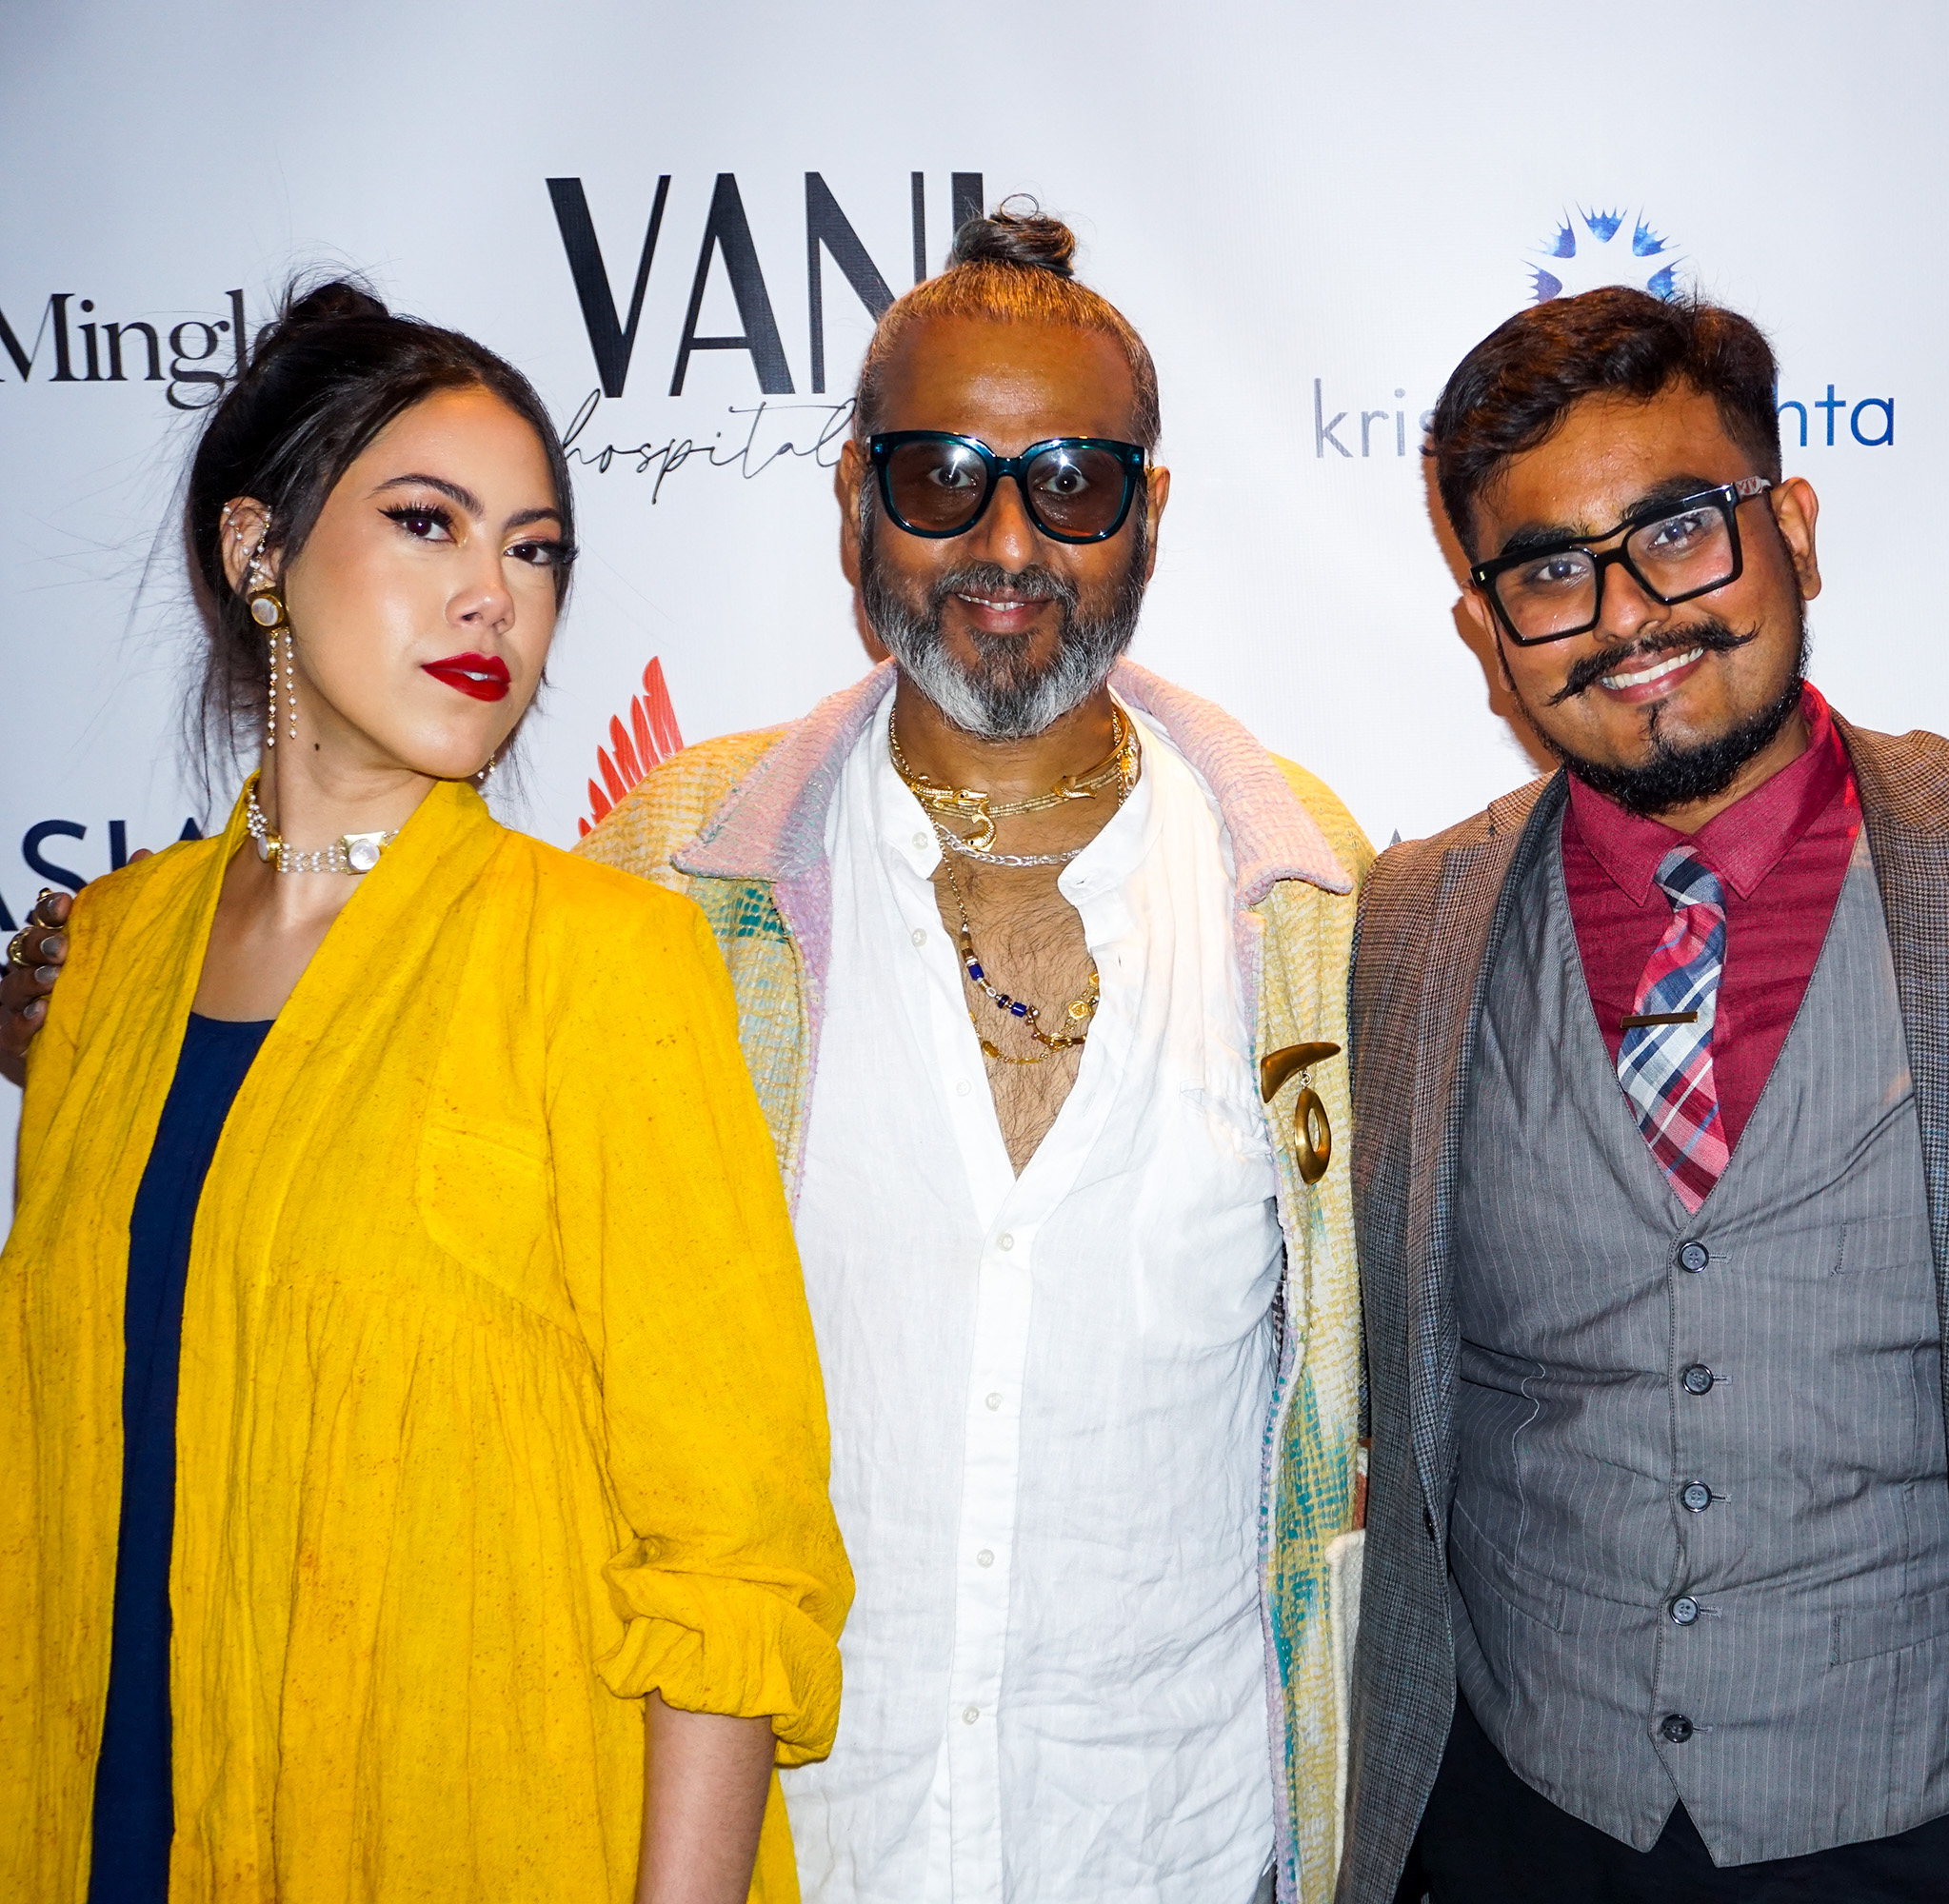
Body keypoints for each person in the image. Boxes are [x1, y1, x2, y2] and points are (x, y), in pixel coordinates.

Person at [1340, 287, 1949, 1904]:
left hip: (1948, 1833)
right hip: (1525, 1830)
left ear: (1794, 525)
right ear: (1485, 628)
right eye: (1547, 572)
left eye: (1679, 531)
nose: (1628, 614)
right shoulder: (1406, 925)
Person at [0, 281, 849, 1900]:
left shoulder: (604, 963)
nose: (494, 600)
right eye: (428, 525)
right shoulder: (100, 967)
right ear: (259, 553)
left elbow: (733, 1553)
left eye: (534, 552)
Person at [567, 207, 1368, 1904]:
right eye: (943, 475)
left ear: (1148, 515)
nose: (1007, 539)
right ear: (856, 501)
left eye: (1071, 482)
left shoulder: (1305, 894)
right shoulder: (667, 867)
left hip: (1180, 1846)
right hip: (786, 1841)